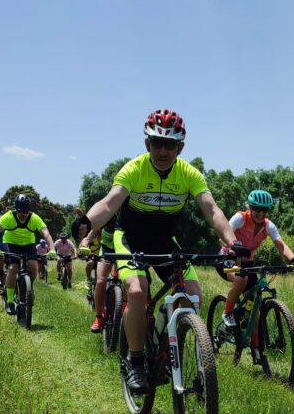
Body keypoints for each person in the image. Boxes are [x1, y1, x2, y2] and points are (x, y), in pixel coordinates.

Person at [79, 108, 247, 392]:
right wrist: (85, 223)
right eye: (157, 142)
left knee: (192, 295)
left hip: (164, 240)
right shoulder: (134, 169)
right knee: (135, 291)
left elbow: (212, 210)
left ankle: (163, 344)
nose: (163, 150)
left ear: (180, 147)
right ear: (147, 144)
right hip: (130, 237)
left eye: (170, 144)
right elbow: (109, 203)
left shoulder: (188, 173)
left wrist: (232, 242)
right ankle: (134, 361)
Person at [220, 189, 294, 364]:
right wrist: (234, 247)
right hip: (228, 258)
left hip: (248, 262)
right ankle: (227, 313)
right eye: (257, 209)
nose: (260, 213)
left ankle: (256, 348)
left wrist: (293, 259)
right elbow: (222, 234)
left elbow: (280, 244)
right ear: (250, 207)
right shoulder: (240, 218)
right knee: (241, 280)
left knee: (254, 307)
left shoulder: (268, 225)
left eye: (264, 210)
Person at [0, 195, 55, 314]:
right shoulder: (8, 216)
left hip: (28, 245)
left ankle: (28, 288)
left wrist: (52, 249)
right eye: (20, 211)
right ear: (16, 209)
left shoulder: (34, 218)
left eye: (26, 211)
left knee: (34, 266)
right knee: (13, 267)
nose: (23, 214)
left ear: (29, 211)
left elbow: (46, 234)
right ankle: (10, 301)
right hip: (10, 243)